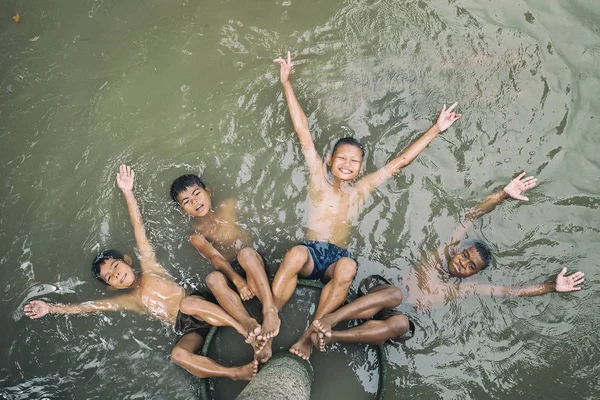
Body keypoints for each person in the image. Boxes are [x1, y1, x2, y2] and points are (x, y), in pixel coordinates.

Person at [270, 52, 461, 360]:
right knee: (294, 254)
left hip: (335, 258)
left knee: (348, 266)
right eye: (341, 158)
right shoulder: (319, 177)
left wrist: (435, 129)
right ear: (330, 160)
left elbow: (400, 162)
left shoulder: (361, 189)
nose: (347, 164)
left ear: (361, 167)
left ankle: (309, 336)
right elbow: (303, 131)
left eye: (354, 161)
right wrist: (287, 83)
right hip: (310, 251)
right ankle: (270, 316)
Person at [24, 165, 258, 381]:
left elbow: (139, 228)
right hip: (188, 327)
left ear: (127, 261)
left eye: (116, 267)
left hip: (197, 304)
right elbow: (90, 306)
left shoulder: (149, 267)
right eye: (111, 278)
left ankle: (242, 328)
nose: (116, 275)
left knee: (187, 305)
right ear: (112, 287)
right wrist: (50, 308)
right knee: (177, 355)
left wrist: (128, 192)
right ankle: (235, 373)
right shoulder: (130, 300)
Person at [401, 172, 585, 310]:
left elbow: (510, 292)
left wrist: (550, 286)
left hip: (404, 316)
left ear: (475, 274)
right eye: (465, 255)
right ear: (458, 250)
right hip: (396, 292)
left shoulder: (466, 287)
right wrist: (502, 195)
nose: (462, 263)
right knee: (392, 295)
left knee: (399, 323)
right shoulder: (443, 252)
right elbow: (471, 217)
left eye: (471, 266)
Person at [170, 174, 279, 361]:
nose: (195, 201)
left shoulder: (228, 206)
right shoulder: (195, 235)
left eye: (197, 193)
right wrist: (237, 281)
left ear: (208, 192)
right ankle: (248, 325)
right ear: (182, 210)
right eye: (186, 201)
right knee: (213, 278)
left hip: (252, 265)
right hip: (229, 271)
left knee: (245, 254)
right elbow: (215, 257)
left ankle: (270, 311)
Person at [311, 275, 415, 351]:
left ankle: (333, 337)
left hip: (390, 315)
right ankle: (331, 319)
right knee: (396, 295)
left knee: (402, 324)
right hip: (379, 294)